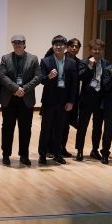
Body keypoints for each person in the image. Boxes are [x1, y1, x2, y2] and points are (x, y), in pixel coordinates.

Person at [0, 34, 41, 166]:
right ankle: (6, 155)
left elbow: (38, 77)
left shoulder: (33, 58)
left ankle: (24, 155)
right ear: (12, 44)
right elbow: (2, 75)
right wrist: (16, 88)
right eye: (15, 43)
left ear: (24, 44)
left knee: (25, 129)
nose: (17, 45)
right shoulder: (5, 58)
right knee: (7, 128)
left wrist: (24, 89)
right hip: (9, 98)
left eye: (20, 42)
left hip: (26, 99)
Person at [37, 35, 79, 165]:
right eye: (56, 45)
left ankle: (57, 153)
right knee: (46, 129)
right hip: (49, 101)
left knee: (60, 129)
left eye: (61, 45)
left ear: (65, 47)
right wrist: (49, 77)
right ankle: (42, 154)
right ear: (52, 46)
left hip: (64, 102)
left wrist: (71, 101)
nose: (58, 47)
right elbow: (41, 80)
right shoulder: (46, 61)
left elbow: (74, 84)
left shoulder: (71, 62)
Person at [74, 39, 108, 161]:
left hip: (100, 99)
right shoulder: (84, 62)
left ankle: (95, 150)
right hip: (86, 99)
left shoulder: (106, 63)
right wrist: (89, 66)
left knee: (98, 127)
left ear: (102, 50)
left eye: (99, 49)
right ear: (90, 50)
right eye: (94, 49)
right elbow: (80, 77)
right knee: (82, 126)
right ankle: (80, 150)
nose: (97, 51)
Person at [60, 37, 82, 157]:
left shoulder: (80, 63)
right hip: (58, 96)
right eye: (72, 46)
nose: (74, 48)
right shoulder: (59, 57)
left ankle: (62, 147)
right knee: (54, 124)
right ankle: (50, 148)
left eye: (76, 47)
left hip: (71, 97)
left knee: (66, 125)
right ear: (67, 47)